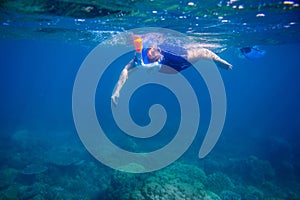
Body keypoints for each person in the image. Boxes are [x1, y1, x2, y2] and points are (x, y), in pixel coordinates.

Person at [111, 35, 232, 106]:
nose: (152, 52)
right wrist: (117, 91)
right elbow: (126, 70)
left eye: (153, 51)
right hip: (165, 68)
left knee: (195, 55)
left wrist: (218, 60)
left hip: (177, 65)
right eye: (150, 54)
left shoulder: (177, 55)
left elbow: (203, 51)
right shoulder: (140, 58)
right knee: (139, 68)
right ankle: (152, 69)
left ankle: (152, 69)